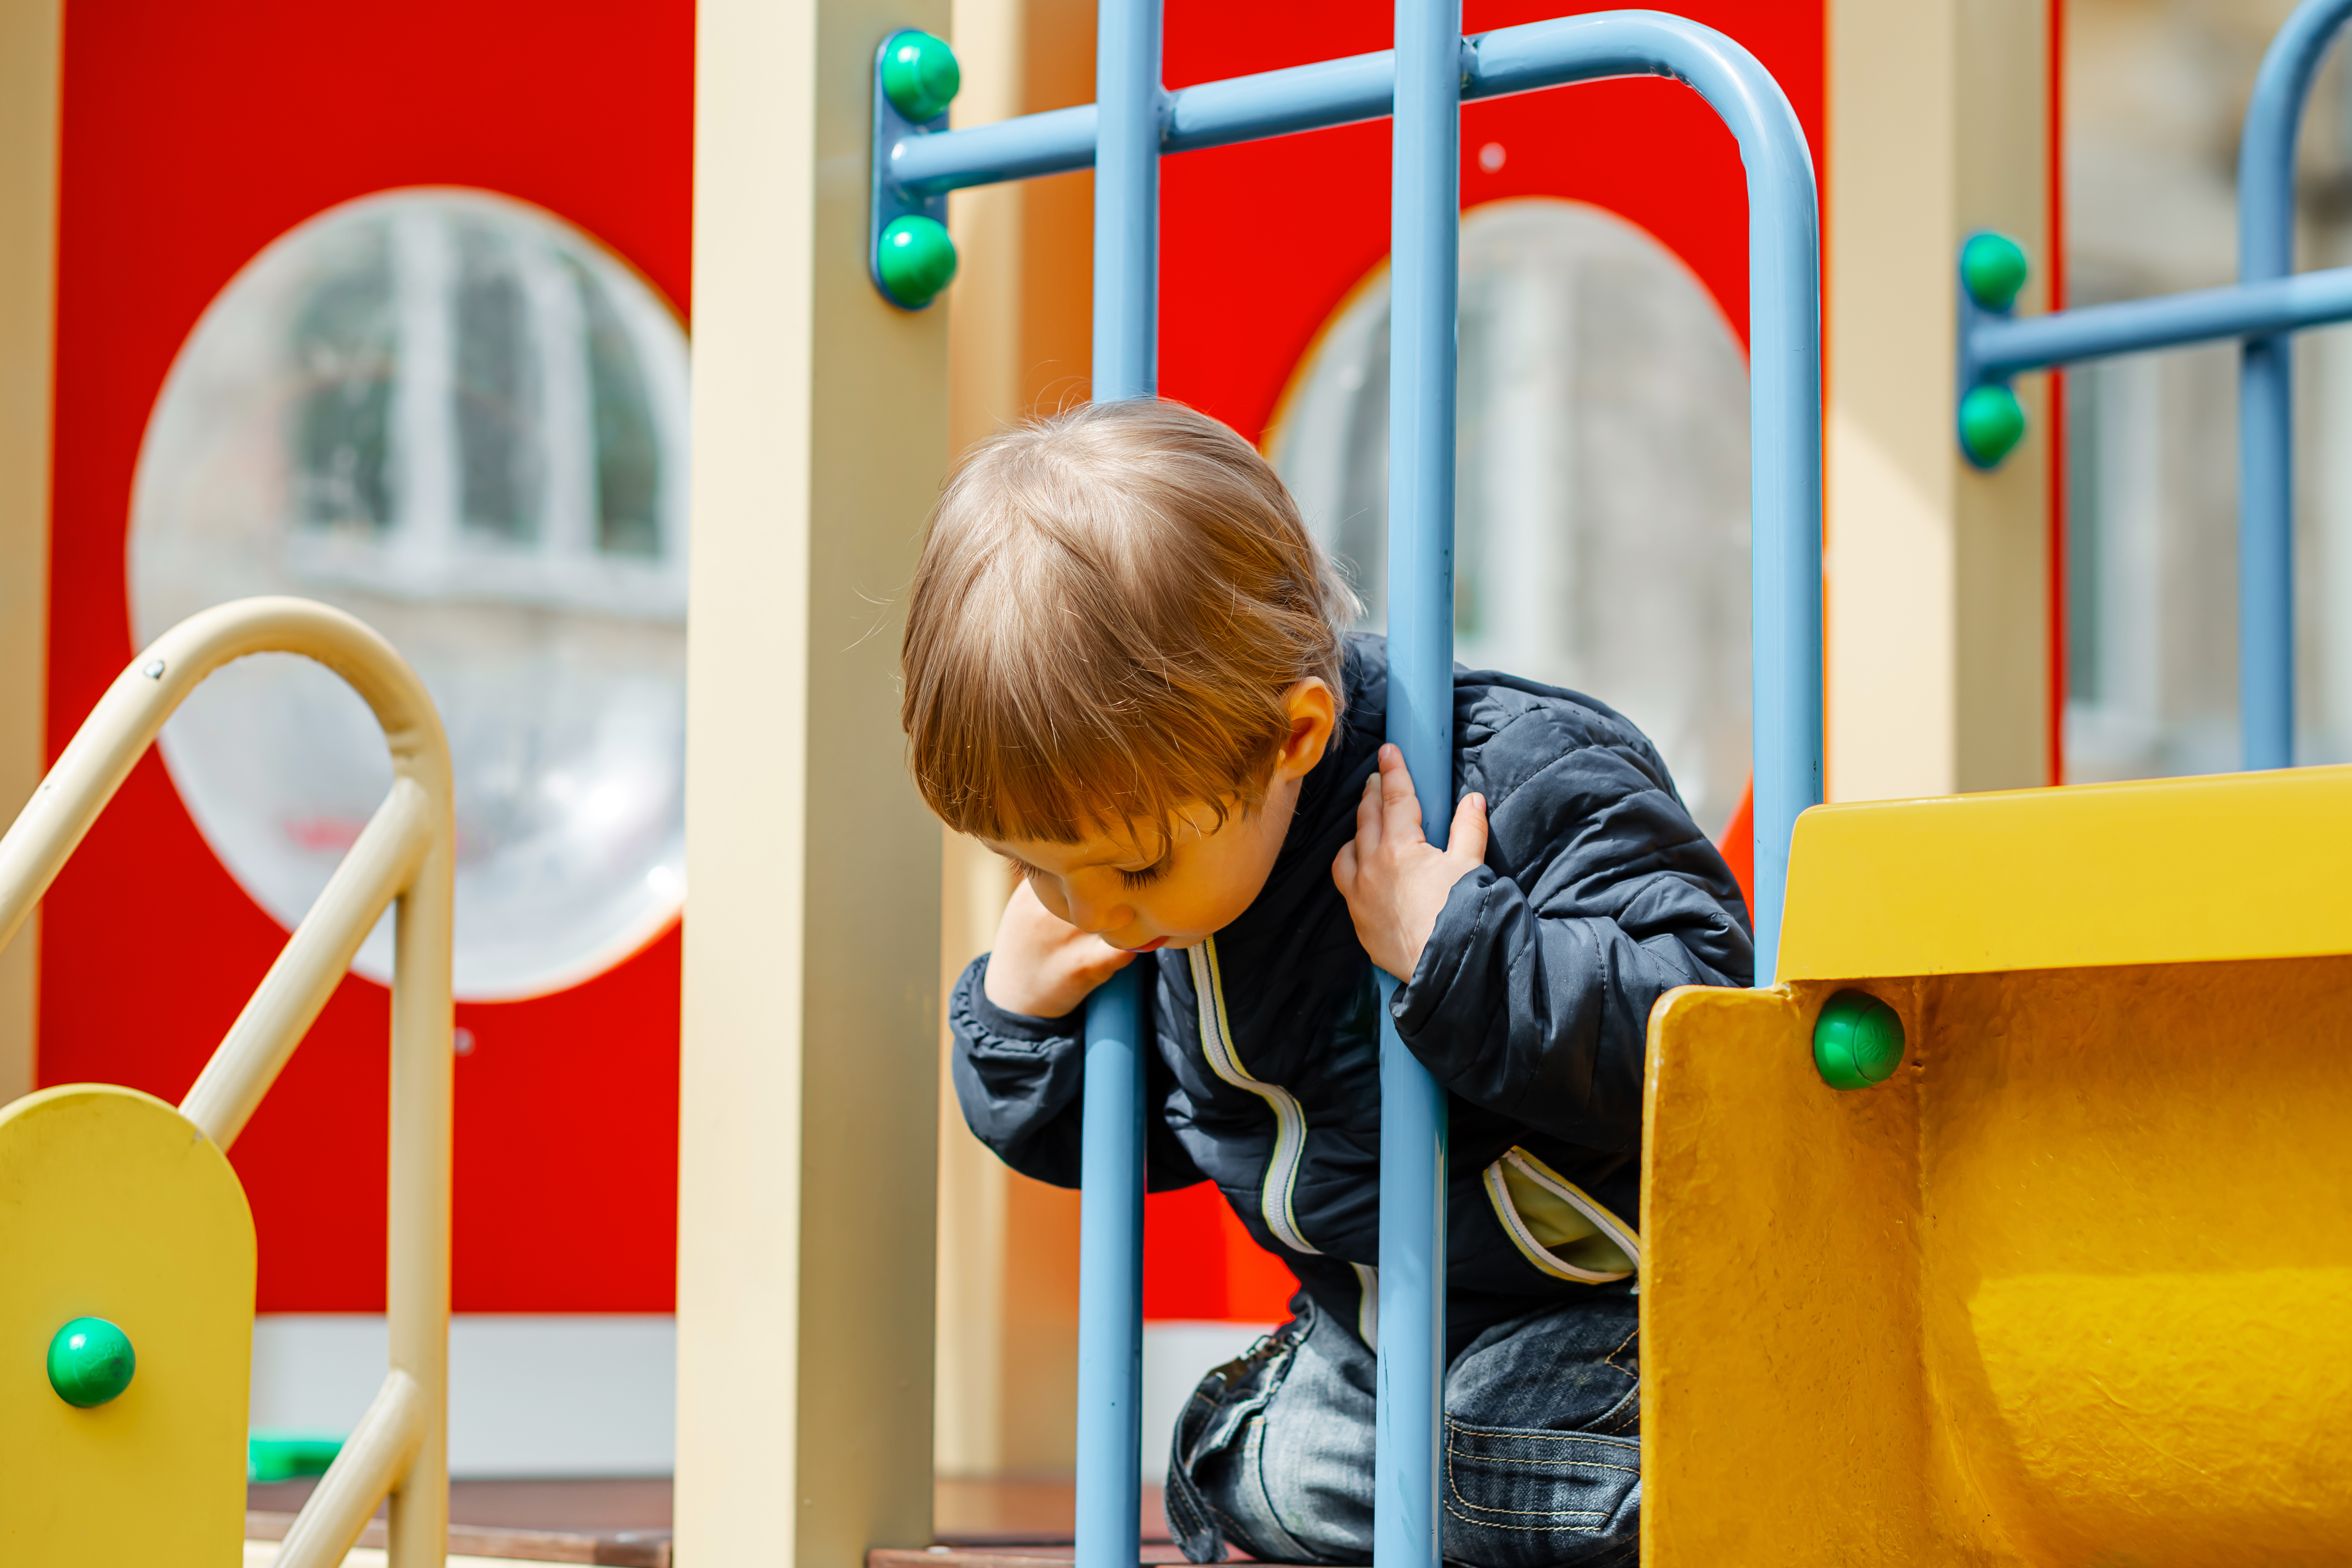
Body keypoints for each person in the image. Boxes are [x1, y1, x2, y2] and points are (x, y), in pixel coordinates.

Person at [901, 398, 1751, 1568]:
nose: (1087, 907)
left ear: (1293, 736)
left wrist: (1461, 945)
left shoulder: (1505, 776)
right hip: (1379, 1333)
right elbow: (1147, 1141)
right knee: (1250, 1463)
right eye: (1031, 865)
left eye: (1130, 863)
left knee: (1508, 1442)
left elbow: (1701, 1038)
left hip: (1611, 1311)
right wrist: (1018, 1020)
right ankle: (1476, 1498)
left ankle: (1594, 1484)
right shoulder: (1173, 870)